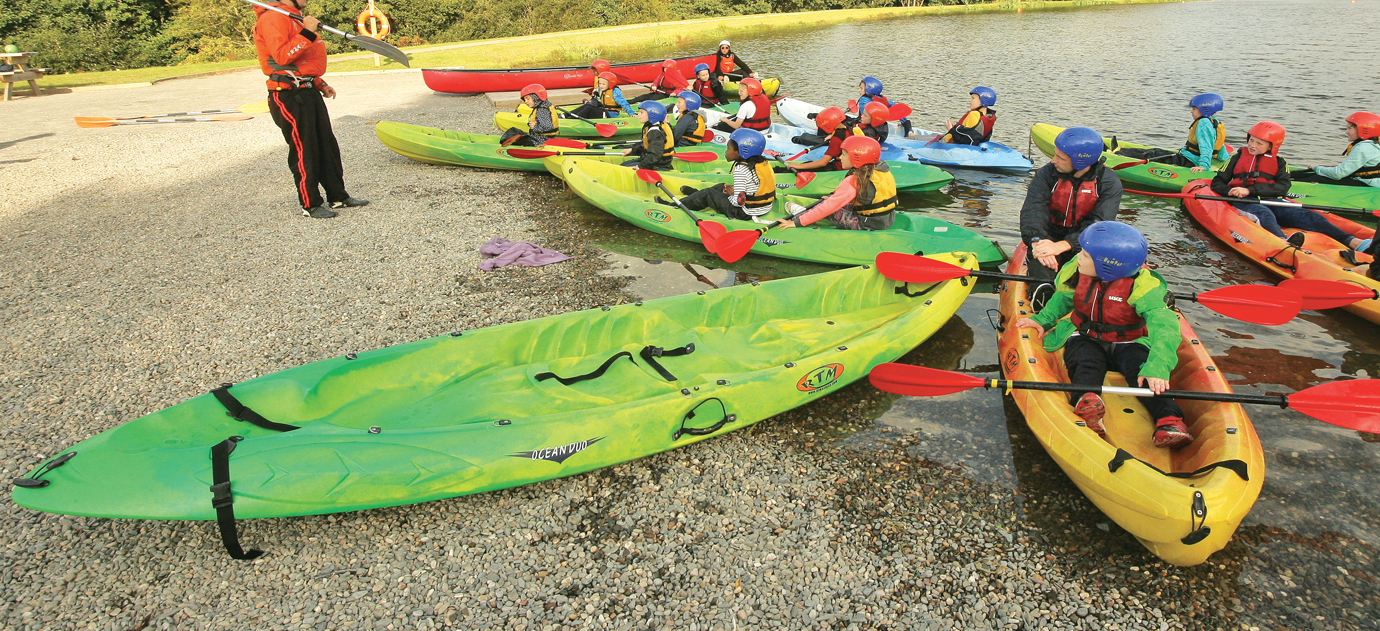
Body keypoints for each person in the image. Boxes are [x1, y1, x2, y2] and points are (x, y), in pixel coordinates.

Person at [1013, 221, 1193, 449]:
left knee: (1141, 371)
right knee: (1083, 362)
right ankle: (1086, 402)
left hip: (1130, 340)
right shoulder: (1078, 271)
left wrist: (1158, 366)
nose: (1079, 257)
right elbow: (1064, 298)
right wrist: (1042, 319)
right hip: (1085, 334)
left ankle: (1170, 420)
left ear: (1109, 266)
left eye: (1086, 255)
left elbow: (1165, 327)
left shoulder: (1144, 286)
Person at [253, 0, 368, 219]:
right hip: (287, 95)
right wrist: (307, 31)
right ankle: (310, 204)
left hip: (307, 90)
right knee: (305, 149)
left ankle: (337, 196)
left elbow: (301, 63)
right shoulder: (272, 18)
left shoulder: (293, 17)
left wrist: (319, 83)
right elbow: (282, 57)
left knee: (327, 145)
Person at [1210, 121, 1371, 251]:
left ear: (1272, 146)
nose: (1252, 145)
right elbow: (1218, 182)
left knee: (1311, 216)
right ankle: (1283, 243)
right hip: (1246, 202)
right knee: (1264, 215)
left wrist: (1250, 189)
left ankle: (1353, 242)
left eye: (1259, 143)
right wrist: (1231, 191)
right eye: (1251, 140)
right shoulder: (1236, 158)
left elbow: (1283, 187)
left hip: (1272, 199)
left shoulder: (1279, 162)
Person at [1020, 126, 1122, 285]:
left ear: (1080, 162)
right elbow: (1033, 210)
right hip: (1048, 236)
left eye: (1061, 157)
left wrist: (1065, 245)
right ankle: (1042, 294)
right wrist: (1038, 242)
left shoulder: (1108, 182)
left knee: (1088, 280)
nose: (1053, 160)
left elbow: (1099, 224)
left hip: (1086, 244)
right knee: (1042, 271)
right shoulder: (1047, 174)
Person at [775, 136, 898, 232]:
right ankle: (812, 210)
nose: (839, 157)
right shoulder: (880, 170)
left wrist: (797, 222)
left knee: (829, 207)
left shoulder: (855, 180)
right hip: (886, 219)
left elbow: (828, 208)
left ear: (856, 158)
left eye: (844, 154)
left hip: (867, 224)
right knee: (832, 201)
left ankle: (800, 214)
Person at [672, 129, 776, 222]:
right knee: (722, 186)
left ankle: (674, 205)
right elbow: (752, 187)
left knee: (708, 193)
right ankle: (696, 195)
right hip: (764, 207)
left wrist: (731, 195)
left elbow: (738, 202)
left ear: (740, 152)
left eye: (728, 148)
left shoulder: (741, 170)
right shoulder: (761, 163)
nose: (726, 152)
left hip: (744, 212)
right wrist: (733, 191)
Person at [1111, 93, 1228, 172]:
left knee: (1153, 154)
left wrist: (1203, 166)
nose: (1191, 111)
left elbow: (1206, 147)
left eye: (1194, 109)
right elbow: (1218, 144)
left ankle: (1119, 154)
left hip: (1189, 161)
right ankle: (1122, 150)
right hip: (1187, 157)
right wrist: (1224, 158)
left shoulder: (1203, 124)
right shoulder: (1214, 121)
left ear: (1204, 109)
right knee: (1156, 151)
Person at [1297, 112, 1380, 187]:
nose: (1346, 132)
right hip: (1373, 181)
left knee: (1317, 178)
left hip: (1371, 185)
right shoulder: (1373, 144)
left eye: (1349, 128)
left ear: (1363, 130)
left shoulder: (1364, 147)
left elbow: (1338, 174)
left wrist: (1316, 168)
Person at [789, 106, 849, 172]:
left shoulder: (837, 137)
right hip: (845, 165)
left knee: (803, 166)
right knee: (808, 163)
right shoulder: (849, 129)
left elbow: (823, 163)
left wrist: (799, 166)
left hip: (839, 168)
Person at [621, 101, 674, 171]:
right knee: (623, 165)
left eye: (641, 112)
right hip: (653, 162)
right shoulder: (651, 126)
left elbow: (655, 155)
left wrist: (640, 167)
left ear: (652, 114)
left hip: (658, 166)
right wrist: (632, 150)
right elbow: (647, 146)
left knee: (623, 169)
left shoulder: (655, 132)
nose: (638, 115)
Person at [567, 72, 635, 120]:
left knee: (589, 109)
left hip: (611, 115)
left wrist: (632, 114)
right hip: (604, 111)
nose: (601, 86)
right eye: (600, 83)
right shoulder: (601, 89)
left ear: (610, 83)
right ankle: (564, 116)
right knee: (588, 106)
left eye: (603, 84)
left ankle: (570, 119)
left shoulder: (615, 91)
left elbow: (624, 103)